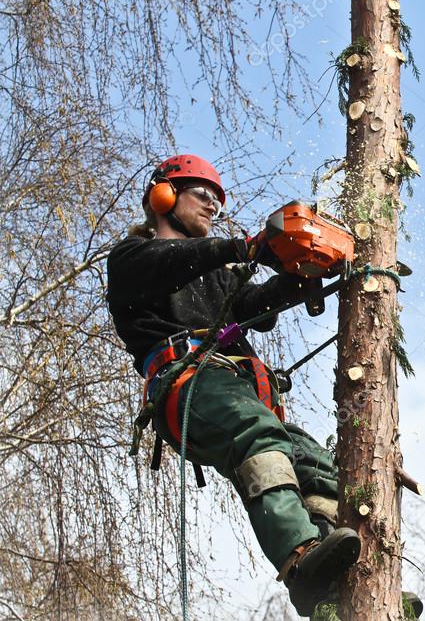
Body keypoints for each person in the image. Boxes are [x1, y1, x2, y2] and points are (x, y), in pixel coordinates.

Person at [106, 155, 361, 617]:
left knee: (316, 464)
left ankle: (340, 588)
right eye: (204, 195)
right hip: (187, 385)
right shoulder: (132, 259)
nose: (212, 206)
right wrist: (245, 247)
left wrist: (300, 276)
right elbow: (173, 262)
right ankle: (299, 558)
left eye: (218, 203)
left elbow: (255, 307)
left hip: (239, 388)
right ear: (164, 195)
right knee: (257, 435)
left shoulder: (215, 272)